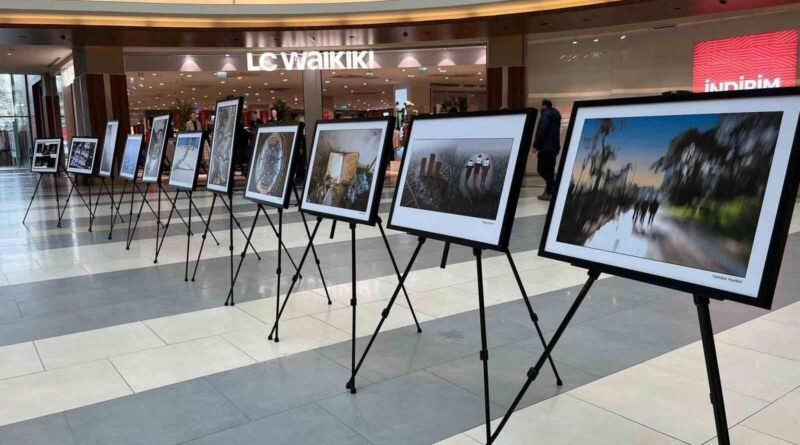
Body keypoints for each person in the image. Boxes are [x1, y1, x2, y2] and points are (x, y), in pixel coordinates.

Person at [533, 99, 562, 200]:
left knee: (541, 169)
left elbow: (542, 130)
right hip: (554, 148)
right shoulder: (556, 116)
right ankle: (548, 193)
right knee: (550, 170)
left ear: (544, 106)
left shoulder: (545, 115)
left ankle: (554, 186)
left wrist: (536, 145)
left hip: (545, 148)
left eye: (542, 106)